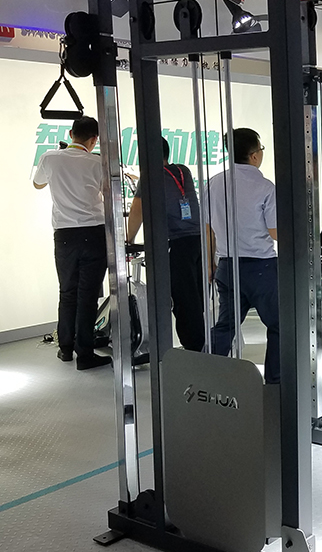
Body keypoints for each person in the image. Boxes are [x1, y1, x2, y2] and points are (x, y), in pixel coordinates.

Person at [33, 115, 111, 370]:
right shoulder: (98, 162)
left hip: (65, 235)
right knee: (88, 296)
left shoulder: (50, 158)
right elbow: (107, 193)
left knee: (67, 291)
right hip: (94, 233)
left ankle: (65, 348)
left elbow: (37, 184)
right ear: (94, 140)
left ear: (70, 134)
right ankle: (85, 354)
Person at [207, 127, 279, 384]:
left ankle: (203, 375)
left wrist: (211, 264)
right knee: (279, 325)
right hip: (261, 268)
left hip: (226, 266)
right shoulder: (265, 187)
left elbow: (208, 229)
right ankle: (275, 382)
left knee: (225, 325)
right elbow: (275, 232)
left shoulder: (214, 183)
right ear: (254, 155)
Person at [127, 137, 205, 352]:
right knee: (196, 295)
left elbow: (137, 209)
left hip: (175, 243)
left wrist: (129, 239)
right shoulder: (182, 170)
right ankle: (200, 342)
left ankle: (193, 348)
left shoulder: (150, 177)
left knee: (183, 298)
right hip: (197, 238)